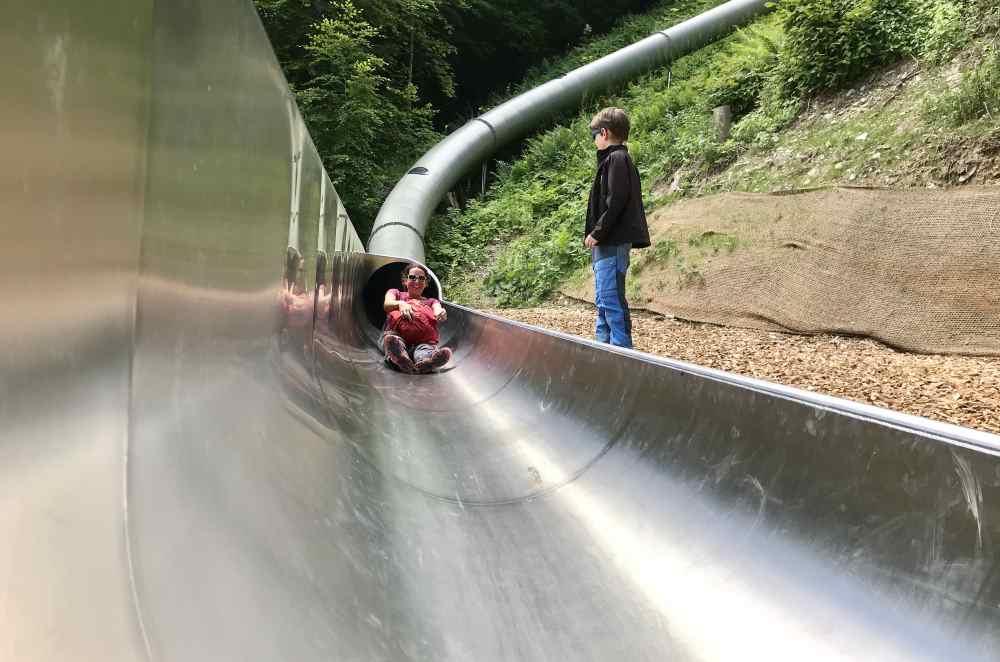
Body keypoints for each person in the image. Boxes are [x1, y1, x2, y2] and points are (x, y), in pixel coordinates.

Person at [583, 107, 650, 349]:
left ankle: (622, 353)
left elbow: (617, 200)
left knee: (611, 300)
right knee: (602, 300)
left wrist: (598, 232)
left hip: (612, 241)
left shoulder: (618, 159)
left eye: (594, 137)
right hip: (605, 245)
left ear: (604, 132)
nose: (594, 143)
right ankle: (603, 349)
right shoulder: (610, 160)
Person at [382, 263, 452, 373]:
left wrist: (441, 312)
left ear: (426, 283)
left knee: (424, 351)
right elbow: (387, 304)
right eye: (412, 277)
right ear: (405, 280)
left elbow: (437, 308)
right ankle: (399, 358)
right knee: (392, 341)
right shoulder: (396, 293)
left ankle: (427, 362)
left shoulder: (431, 301)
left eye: (421, 278)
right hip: (397, 336)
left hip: (423, 342)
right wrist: (400, 304)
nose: (417, 281)